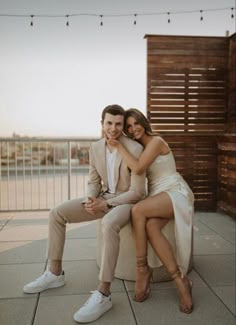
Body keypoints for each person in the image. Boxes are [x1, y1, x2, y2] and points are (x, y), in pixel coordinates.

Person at [23, 104, 146, 323]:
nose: (113, 128)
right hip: (101, 199)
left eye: (118, 124)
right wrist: (91, 199)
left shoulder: (134, 149)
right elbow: (93, 180)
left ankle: (104, 294)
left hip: (126, 202)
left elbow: (137, 192)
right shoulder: (95, 147)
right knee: (56, 213)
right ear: (102, 123)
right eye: (109, 123)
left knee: (108, 223)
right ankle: (54, 273)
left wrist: (106, 206)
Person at [107, 108, 194, 314]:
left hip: (175, 191)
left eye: (136, 123)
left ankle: (142, 269)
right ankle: (180, 280)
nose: (133, 128)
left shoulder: (155, 142)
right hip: (159, 195)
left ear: (143, 122)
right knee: (151, 227)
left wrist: (119, 146)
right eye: (128, 126)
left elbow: (137, 168)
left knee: (138, 211)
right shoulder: (139, 147)